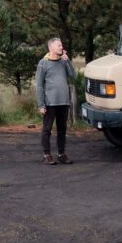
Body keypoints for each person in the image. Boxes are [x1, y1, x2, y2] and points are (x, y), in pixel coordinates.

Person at [35, 37, 76, 165]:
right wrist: (41, 104)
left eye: (61, 45)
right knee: (47, 129)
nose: (61, 47)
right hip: (50, 102)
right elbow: (39, 85)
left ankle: (61, 154)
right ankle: (47, 154)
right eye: (58, 45)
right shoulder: (43, 63)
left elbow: (73, 76)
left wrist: (68, 61)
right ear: (51, 47)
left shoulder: (64, 62)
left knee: (62, 129)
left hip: (63, 101)